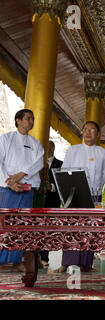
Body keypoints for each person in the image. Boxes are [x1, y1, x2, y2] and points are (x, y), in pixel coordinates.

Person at [55, 121, 105, 273]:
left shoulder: (102, 152)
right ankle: (66, 263)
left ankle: (87, 264)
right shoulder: (73, 150)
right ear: (82, 132)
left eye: (92, 130)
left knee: (89, 229)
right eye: (86, 129)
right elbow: (65, 170)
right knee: (72, 228)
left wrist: (95, 189)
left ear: (97, 134)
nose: (88, 133)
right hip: (74, 195)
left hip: (93, 195)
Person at [0, 109, 44, 271]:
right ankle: (2, 261)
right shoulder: (6, 139)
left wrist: (20, 175)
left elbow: (38, 163)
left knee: (22, 225)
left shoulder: (35, 143)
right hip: (7, 188)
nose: (31, 121)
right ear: (18, 120)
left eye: (32, 119)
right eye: (28, 118)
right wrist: (10, 182)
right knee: (4, 224)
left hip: (26, 188)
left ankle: (16, 260)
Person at [39, 140, 63, 268]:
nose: (47, 149)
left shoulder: (60, 164)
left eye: (50, 146)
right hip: (37, 201)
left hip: (52, 201)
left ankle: (44, 257)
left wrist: (51, 186)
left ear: (53, 148)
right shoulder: (37, 163)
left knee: (47, 230)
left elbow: (62, 183)